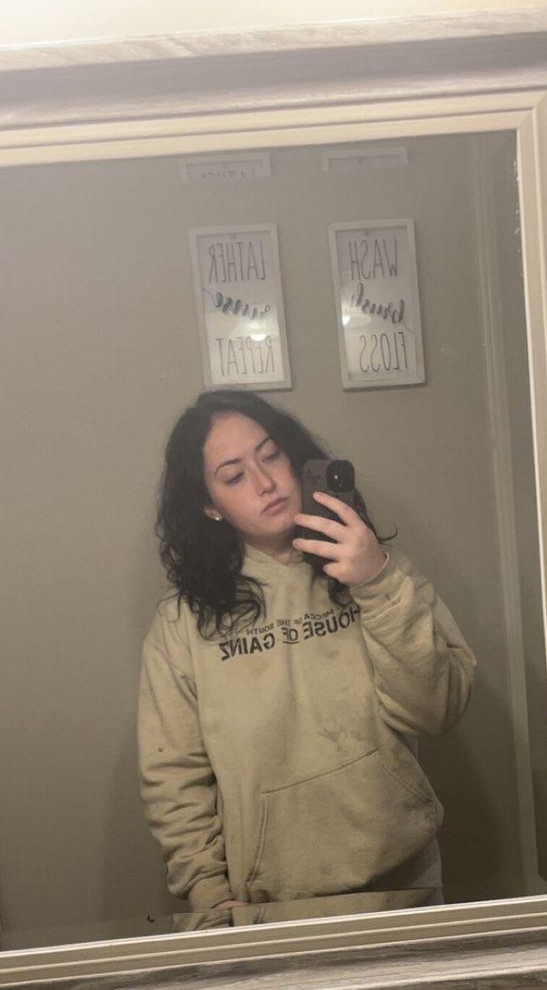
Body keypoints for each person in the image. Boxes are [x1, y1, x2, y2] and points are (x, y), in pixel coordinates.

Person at [138, 390, 475, 919]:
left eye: (270, 456)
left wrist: (376, 582)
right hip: (267, 905)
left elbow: (439, 709)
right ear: (209, 505)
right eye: (234, 476)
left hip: (403, 885)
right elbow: (173, 772)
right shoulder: (182, 621)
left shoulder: (379, 570)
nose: (265, 482)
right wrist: (208, 890)